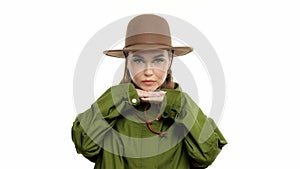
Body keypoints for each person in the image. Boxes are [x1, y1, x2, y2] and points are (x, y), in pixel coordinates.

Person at [72, 14, 227, 169]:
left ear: (170, 61)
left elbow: (206, 154)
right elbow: (85, 144)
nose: (148, 72)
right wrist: (120, 97)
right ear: (127, 62)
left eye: (158, 60)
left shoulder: (183, 108)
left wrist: (176, 103)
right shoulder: (111, 106)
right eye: (138, 60)